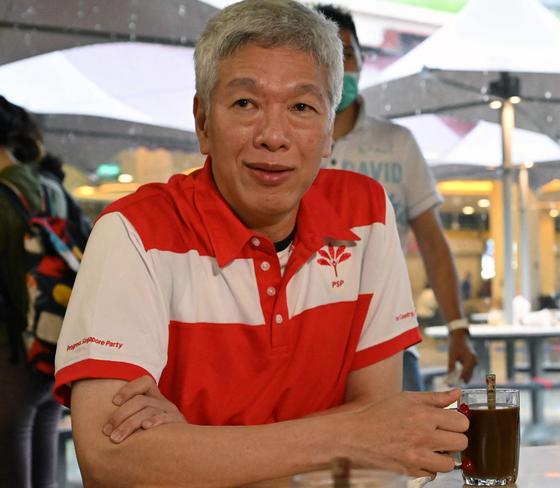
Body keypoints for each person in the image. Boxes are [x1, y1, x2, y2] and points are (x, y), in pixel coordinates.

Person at [53, 1, 468, 485]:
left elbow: (379, 435)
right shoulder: (134, 232)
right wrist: (350, 432)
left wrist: (191, 446)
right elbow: (109, 459)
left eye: (301, 107)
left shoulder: (366, 216)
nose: (273, 136)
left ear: (330, 130)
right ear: (203, 122)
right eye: (245, 104)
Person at [314, 4, 477, 390]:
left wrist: (457, 326)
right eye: (326, 54)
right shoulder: (288, 143)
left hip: (391, 333)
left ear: (363, 62)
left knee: (404, 444)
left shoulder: (398, 144)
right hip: (310, 338)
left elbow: (433, 244)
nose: (339, 65)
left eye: (347, 54)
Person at [0, 96, 62, 487]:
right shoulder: (49, 183)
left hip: (13, 352)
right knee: (44, 464)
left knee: (9, 462)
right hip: (54, 341)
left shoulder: (5, 194)